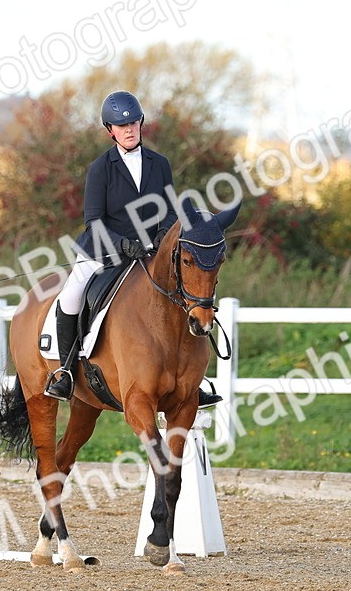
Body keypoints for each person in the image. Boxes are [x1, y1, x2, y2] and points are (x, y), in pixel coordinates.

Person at [44, 90, 224, 410]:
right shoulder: (100, 168)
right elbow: (94, 221)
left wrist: (161, 239)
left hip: (151, 251)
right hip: (104, 250)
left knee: (183, 292)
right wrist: (123, 244)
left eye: (133, 124)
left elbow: (169, 210)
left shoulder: (160, 164)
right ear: (110, 131)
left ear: (141, 124)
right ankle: (66, 371)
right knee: (71, 295)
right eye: (121, 126)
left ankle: (191, 380)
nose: (128, 130)